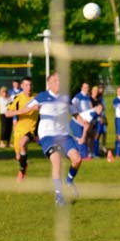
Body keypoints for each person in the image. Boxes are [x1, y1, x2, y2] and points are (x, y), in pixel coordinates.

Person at [24, 73, 82, 206]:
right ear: (49, 84)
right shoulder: (41, 97)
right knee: (57, 162)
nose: (59, 83)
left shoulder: (66, 98)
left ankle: (69, 181)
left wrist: (84, 126)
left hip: (64, 135)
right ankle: (58, 195)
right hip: (48, 135)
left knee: (77, 159)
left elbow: (75, 114)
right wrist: (31, 109)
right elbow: (26, 109)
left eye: (60, 80)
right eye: (55, 81)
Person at [5, 77, 38, 182]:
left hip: (31, 130)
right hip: (19, 129)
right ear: (22, 86)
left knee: (22, 143)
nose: (29, 87)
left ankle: (22, 171)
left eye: (30, 85)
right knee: (18, 157)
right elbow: (7, 113)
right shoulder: (18, 98)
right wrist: (22, 111)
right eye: (26, 85)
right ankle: (24, 165)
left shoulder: (37, 98)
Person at [91, 83, 108, 157]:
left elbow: (102, 109)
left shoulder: (99, 99)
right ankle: (93, 152)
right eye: (99, 88)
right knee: (94, 136)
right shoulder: (91, 99)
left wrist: (103, 118)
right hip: (94, 120)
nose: (101, 90)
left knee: (101, 134)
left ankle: (98, 151)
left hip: (100, 119)